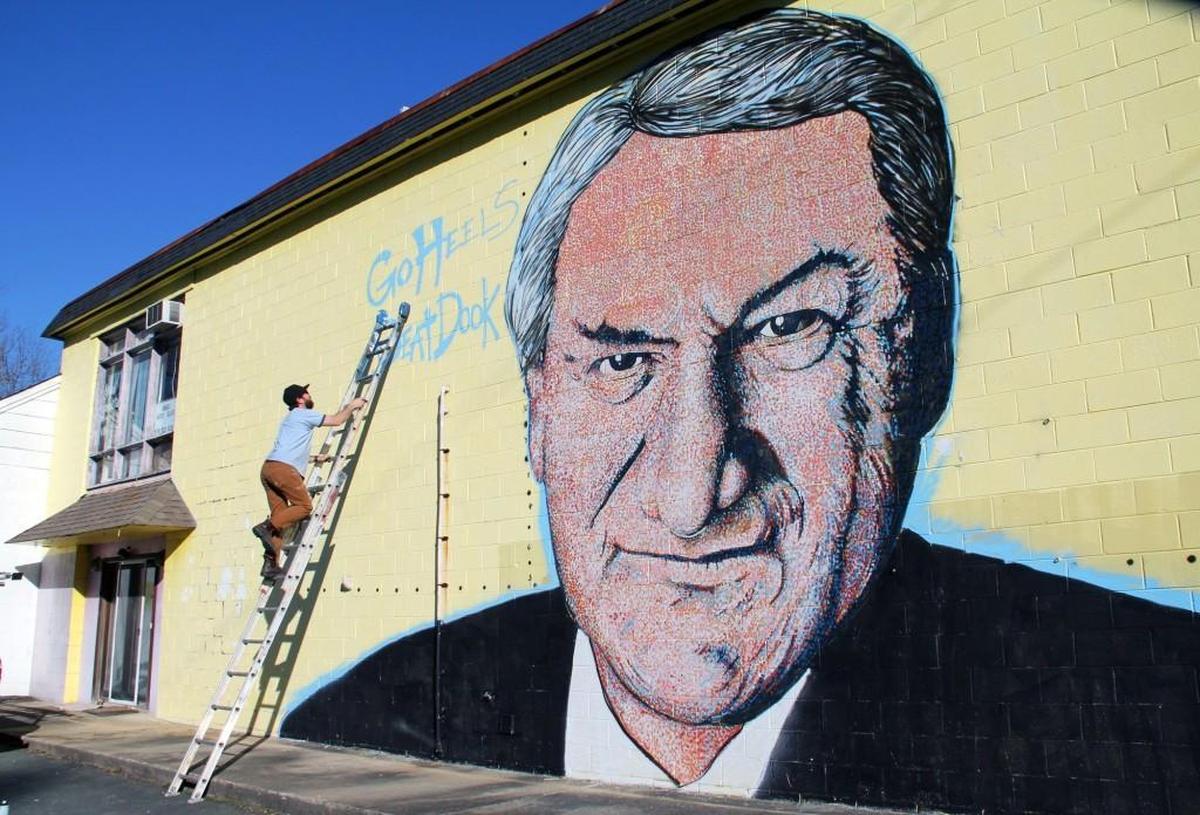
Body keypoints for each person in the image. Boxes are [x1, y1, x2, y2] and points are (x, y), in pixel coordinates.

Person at [282, 9, 1199, 812]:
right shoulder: (360, 717)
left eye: (790, 328)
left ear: (922, 356)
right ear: (540, 414)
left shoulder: (1153, 726)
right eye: (622, 358)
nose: (694, 491)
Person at [253, 384, 366, 580]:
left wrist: (314, 459)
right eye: (306, 393)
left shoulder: (290, 419)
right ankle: (265, 527)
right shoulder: (303, 413)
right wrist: (352, 406)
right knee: (304, 507)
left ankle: (270, 565)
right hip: (283, 470)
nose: (309, 395)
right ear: (299, 399)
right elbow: (337, 420)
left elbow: (290, 449)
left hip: (270, 469)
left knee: (281, 520)